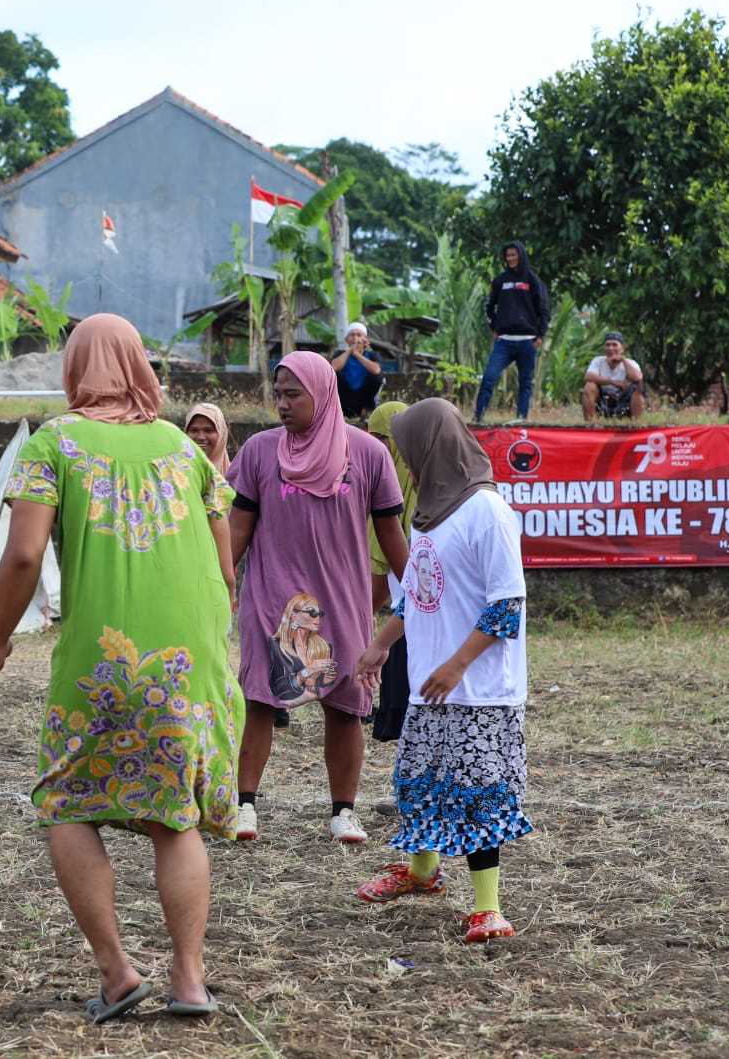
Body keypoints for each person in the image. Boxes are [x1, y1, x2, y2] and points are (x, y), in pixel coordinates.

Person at [0, 313, 240, 1023]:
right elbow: (223, 562)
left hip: (102, 650)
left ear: (74, 368)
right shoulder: (186, 451)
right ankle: (189, 979)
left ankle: (118, 973)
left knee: (68, 799)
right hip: (187, 653)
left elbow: (25, 555)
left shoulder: (53, 442)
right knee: (171, 810)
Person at [351, 397, 532, 945]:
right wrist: (379, 646)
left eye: (407, 449)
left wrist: (456, 666)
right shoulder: (430, 514)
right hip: (431, 686)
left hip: (477, 690)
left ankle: (488, 908)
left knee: (477, 793)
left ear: (434, 446)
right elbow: (416, 596)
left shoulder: (488, 512)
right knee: (421, 784)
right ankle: (422, 873)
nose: (403, 461)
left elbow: (507, 605)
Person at [228, 350, 409, 845]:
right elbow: (237, 529)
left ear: (322, 393)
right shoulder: (262, 452)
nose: (282, 404)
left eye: (293, 394)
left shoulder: (368, 454)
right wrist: (220, 585)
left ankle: (343, 812)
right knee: (261, 698)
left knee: (346, 704)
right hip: (273, 598)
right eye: (278, 394)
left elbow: (391, 535)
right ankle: (244, 806)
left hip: (343, 598)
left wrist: (417, 594)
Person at [365, 403, 418, 794]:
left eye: (382, 440)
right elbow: (382, 568)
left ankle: (420, 792)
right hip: (405, 619)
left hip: (425, 619)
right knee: (406, 711)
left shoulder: (426, 489)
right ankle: (409, 792)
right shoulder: (388, 486)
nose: (375, 448)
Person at [476, 241, 550, 422]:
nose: (510, 258)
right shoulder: (500, 281)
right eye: (507, 255)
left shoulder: (532, 280)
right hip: (504, 342)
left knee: (525, 383)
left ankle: (521, 419)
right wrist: (494, 328)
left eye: (513, 255)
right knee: (488, 379)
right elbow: (489, 307)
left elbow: (544, 309)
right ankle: (478, 418)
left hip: (527, 341)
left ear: (521, 255)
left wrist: (540, 335)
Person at [582, 332, 645, 420]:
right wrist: (613, 381)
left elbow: (638, 377)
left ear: (622, 348)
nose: (610, 348)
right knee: (589, 386)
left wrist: (623, 359)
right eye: (607, 345)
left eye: (614, 345)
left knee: (638, 391)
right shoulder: (598, 361)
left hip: (624, 402)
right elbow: (588, 376)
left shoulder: (631, 363)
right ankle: (591, 425)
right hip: (603, 400)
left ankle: (637, 425)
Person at [332, 322, 385, 419]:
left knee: (377, 377)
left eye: (359, 335)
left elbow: (376, 370)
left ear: (365, 340)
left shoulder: (372, 355)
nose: (355, 338)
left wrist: (357, 354)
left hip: (364, 397)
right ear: (346, 340)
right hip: (344, 397)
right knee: (332, 375)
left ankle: (366, 410)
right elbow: (334, 367)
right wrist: (350, 350)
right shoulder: (340, 354)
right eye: (352, 335)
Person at [183, 402, 231, 474]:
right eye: (194, 430)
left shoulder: (236, 478)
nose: (200, 437)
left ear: (222, 435)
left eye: (208, 430)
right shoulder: (174, 475)